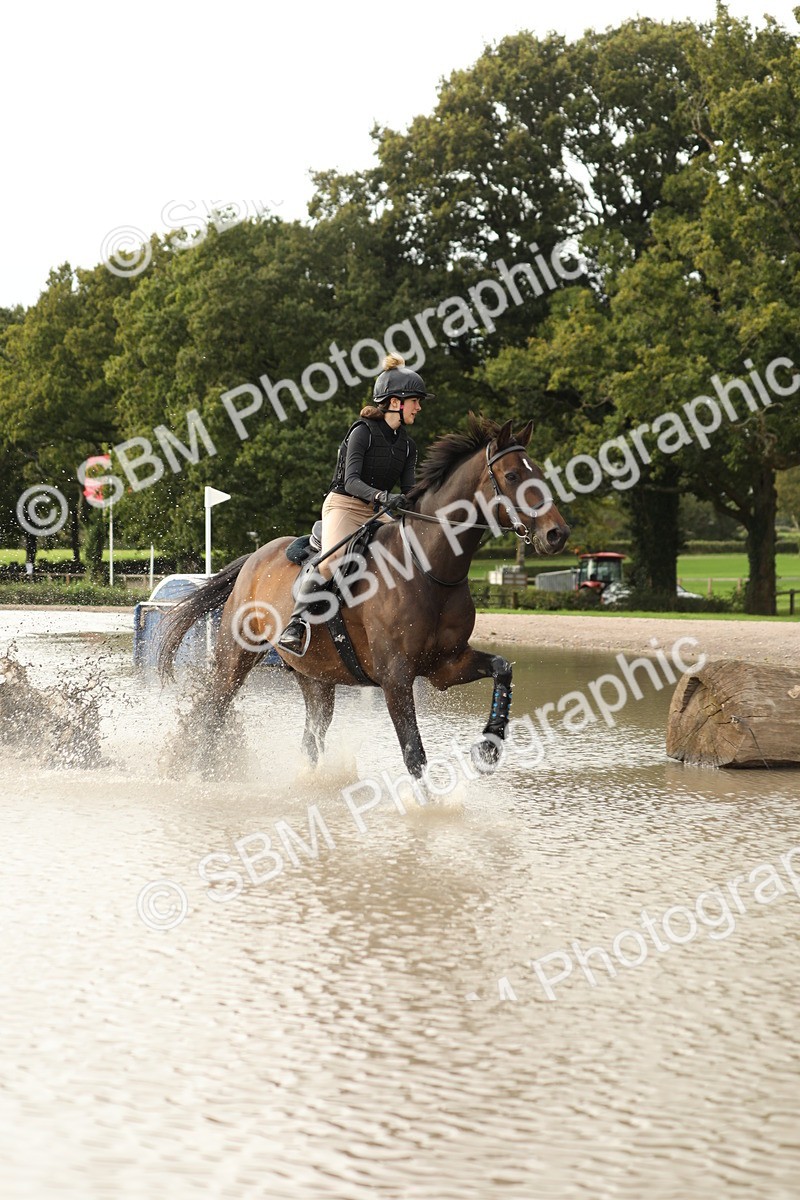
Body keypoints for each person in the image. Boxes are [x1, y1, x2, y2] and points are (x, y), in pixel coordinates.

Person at [278, 354, 434, 654]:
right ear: (396, 402)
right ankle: (295, 625)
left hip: (376, 512)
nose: (420, 407)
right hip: (345, 506)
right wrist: (382, 497)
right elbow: (350, 481)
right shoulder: (362, 432)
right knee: (333, 560)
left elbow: (409, 490)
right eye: (416, 400)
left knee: (415, 550)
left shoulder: (407, 445)